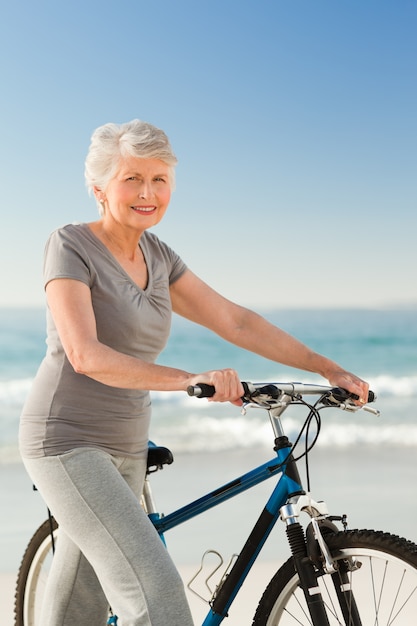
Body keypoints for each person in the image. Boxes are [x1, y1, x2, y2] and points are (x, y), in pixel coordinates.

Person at [19, 119, 369, 626]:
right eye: (132, 179)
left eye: (160, 180)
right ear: (99, 189)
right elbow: (85, 355)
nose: (148, 192)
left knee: (80, 603)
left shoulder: (159, 257)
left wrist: (328, 367)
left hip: (128, 446)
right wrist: (187, 379)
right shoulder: (70, 245)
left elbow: (236, 320)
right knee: (157, 596)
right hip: (67, 443)